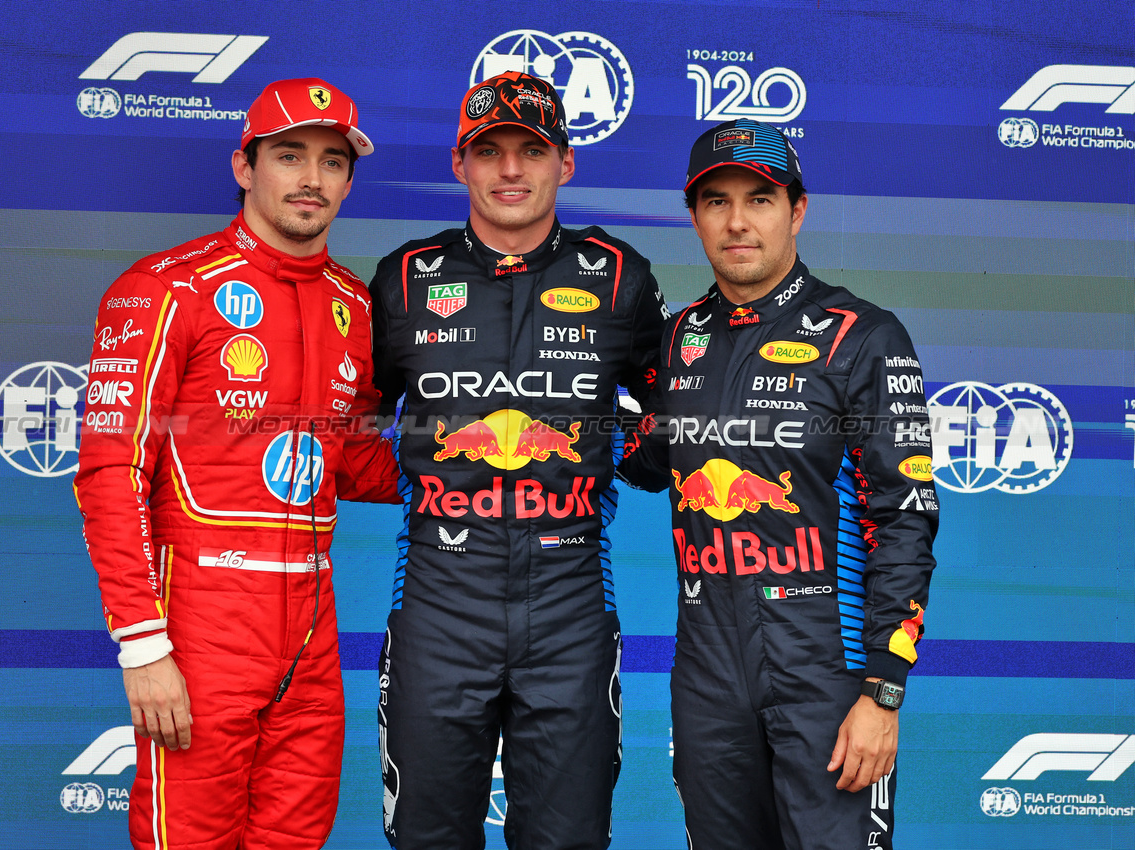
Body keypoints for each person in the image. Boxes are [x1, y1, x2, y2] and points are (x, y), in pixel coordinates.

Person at [74, 77, 398, 849]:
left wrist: (481, 467)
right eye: (289, 156)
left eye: (331, 161)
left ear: (349, 180)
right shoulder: (165, 288)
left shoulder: (353, 304)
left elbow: (351, 461)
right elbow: (108, 472)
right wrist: (144, 646)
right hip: (199, 625)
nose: (311, 179)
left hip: (312, 632)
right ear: (244, 166)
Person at [368, 71, 668, 850]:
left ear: (564, 164)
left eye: (530, 150)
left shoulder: (619, 277)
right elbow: (348, 425)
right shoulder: (402, 279)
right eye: (488, 150)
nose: (509, 170)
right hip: (439, 602)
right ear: (460, 164)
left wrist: (626, 448)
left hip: (569, 604)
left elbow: (670, 424)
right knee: (428, 839)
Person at [619, 118, 937, 850]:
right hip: (705, 668)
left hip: (826, 668)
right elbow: (648, 462)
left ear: (796, 210)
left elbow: (905, 517)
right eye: (716, 201)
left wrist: (882, 691)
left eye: (759, 198)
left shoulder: (861, 334)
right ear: (693, 215)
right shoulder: (676, 340)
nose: (737, 221)